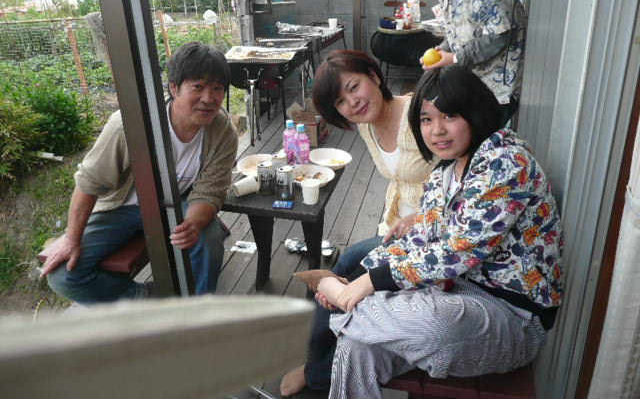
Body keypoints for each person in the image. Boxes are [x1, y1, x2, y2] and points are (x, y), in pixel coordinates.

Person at [315, 66, 563, 399]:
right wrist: (357, 279)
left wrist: (362, 287)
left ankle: (345, 306)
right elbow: (417, 241)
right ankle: (349, 306)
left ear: (475, 111)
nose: (437, 131)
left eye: (449, 116)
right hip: (450, 294)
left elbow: (458, 250)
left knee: (433, 323)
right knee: (357, 345)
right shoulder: (443, 174)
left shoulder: (504, 161)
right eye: (426, 120)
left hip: (511, 317)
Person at [279, 49, 436, 396]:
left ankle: (318, 372)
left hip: (433, 237)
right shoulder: (368, 126)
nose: (352, 103)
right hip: (397, 230)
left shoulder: (421, 114)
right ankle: (316, 361)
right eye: (340, 101)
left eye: (354, 87)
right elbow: (400, 179)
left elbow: (460, 179)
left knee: (350, 281)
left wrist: (422, 216)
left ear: (374, 76)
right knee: (338, 271)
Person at [41, 42, 238, 303]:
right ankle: (145, 298)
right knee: (62, 275)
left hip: (178, 202)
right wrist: (70, 238)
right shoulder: (128, 126)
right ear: (174, 88)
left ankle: (199, 308)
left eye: (217, 89)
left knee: (208, 238)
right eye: (198, 86)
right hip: (121, 208)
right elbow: (89, 183)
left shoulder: (222, 130)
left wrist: (192, 225)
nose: (209, 98)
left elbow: (210, 192)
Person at [406, 0, 526, 124]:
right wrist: (443, 49)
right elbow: (461, 29)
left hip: (497, 91)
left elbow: (501, 34)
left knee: (474, 140)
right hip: (475, 84)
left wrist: (454, 58)